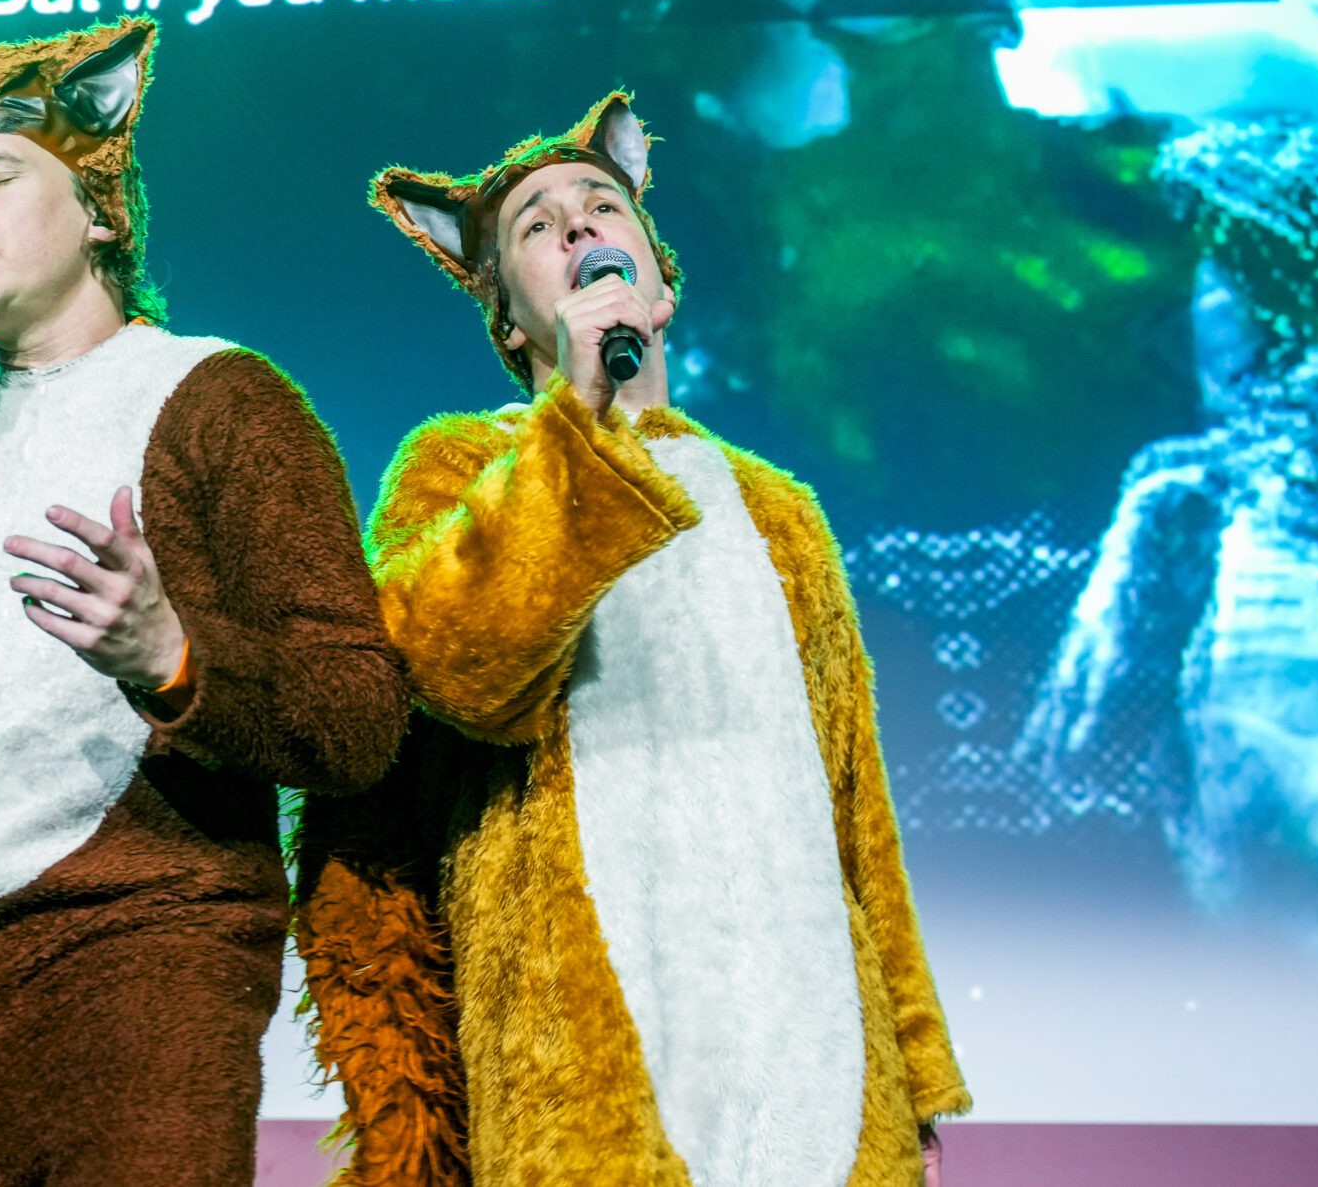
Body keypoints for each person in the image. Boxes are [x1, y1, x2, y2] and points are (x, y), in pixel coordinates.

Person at [0, 15, 409, 1187]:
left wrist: (173, 658)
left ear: (100, 210)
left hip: (146, 947)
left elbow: (356, 716)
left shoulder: (220, 398)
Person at [295, 92, 969, 1187]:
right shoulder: (460, 465)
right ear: (508, 320)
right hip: (586, 1052)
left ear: (660, 282)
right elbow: (452, 664)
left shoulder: (780, 511)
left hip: (815, 1039)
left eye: (602, 205)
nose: (576, 224)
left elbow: (858, 809)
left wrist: (915, 1072)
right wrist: (578, 413)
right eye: (536, 225)